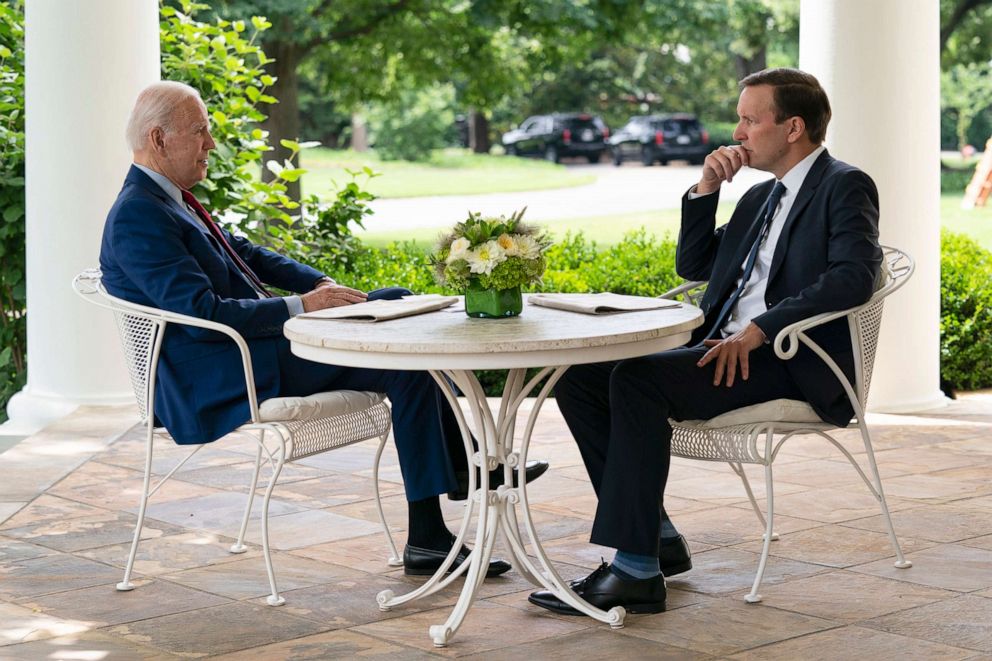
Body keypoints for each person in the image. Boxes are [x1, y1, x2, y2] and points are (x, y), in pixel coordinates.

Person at [99, 81, 547, 578]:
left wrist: (318, 284)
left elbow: (245, 253)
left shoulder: (169, 198)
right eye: (200, 131)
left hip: (251, 350)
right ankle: (434, 528)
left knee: (395, 301)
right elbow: (205, 315)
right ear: (160, 139)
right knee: (409, 367)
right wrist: (302, 307)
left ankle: (462, 478)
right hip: (224, 371)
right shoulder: (139, 215)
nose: (210, 143)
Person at [528, 68, 882, 615]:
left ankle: (636, 572)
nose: (737, 132)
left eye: (749, 119)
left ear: (792, 127)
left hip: (789, 359)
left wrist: (760, 329)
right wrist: (706, 190)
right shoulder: (761, 195)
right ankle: (656, 536)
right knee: (580, 379)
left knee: (638, 379)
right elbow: (696, 264)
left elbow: (853, 274)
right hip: (720, 348)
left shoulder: (843, 184)